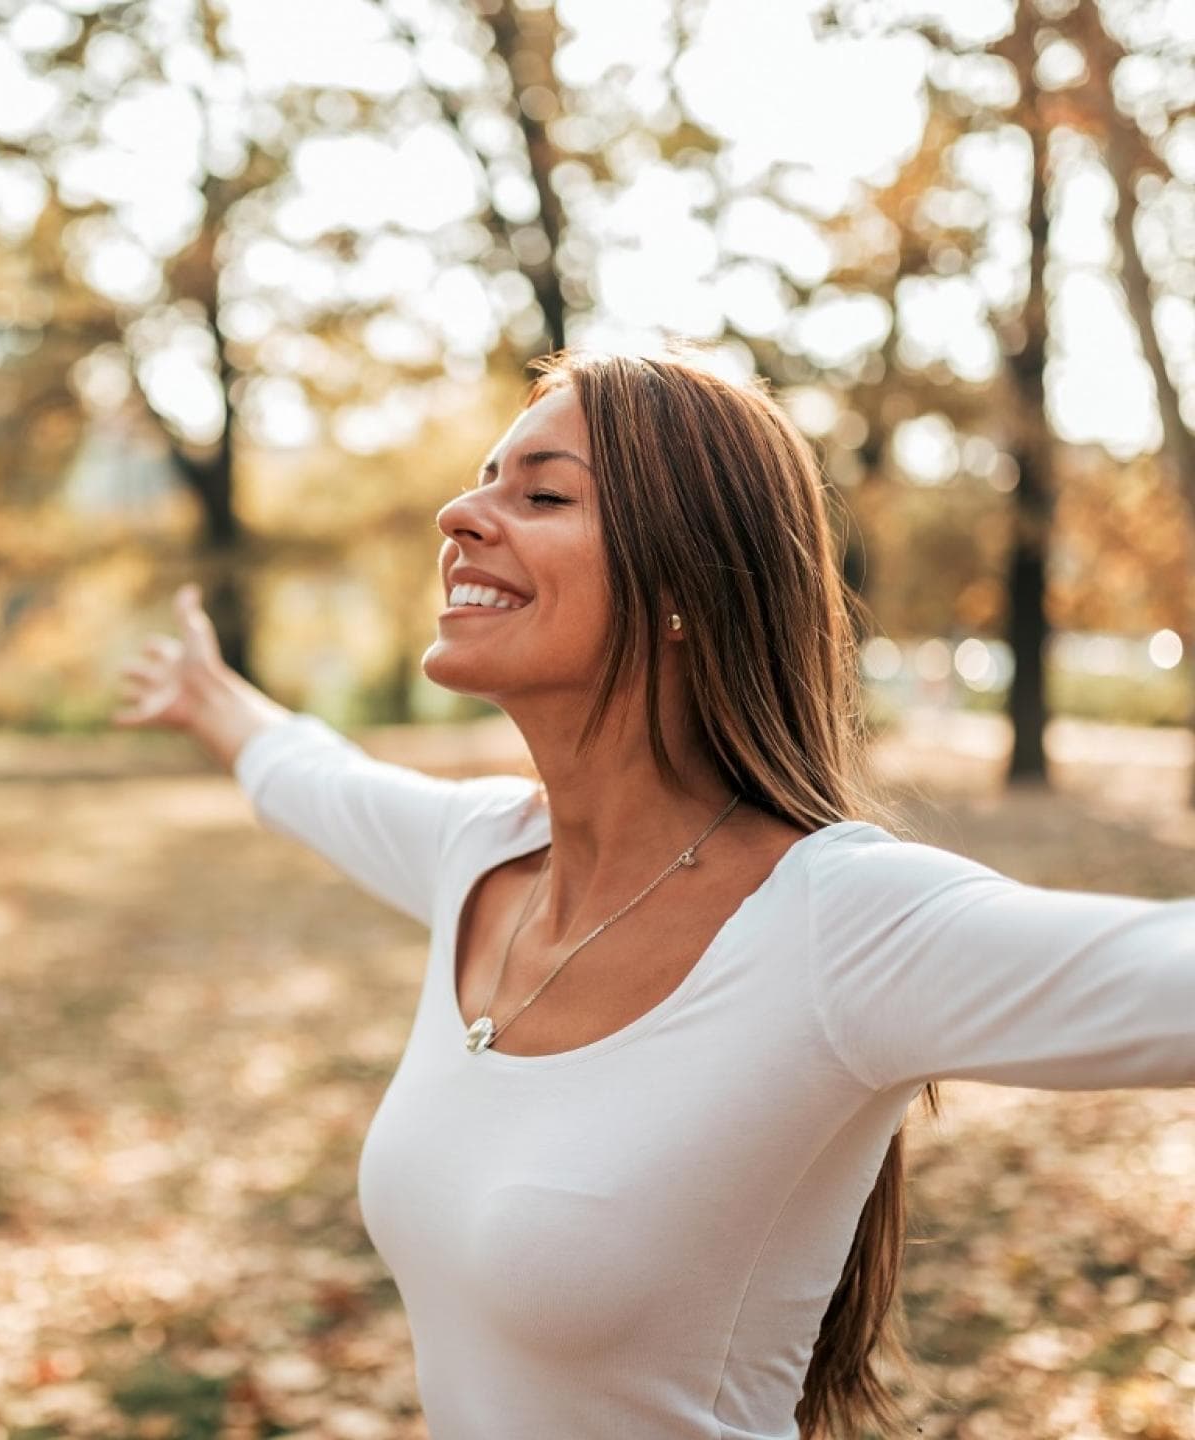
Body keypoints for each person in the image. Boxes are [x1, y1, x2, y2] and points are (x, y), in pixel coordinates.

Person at [108, 346, 1195, 1440]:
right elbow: (320, 780)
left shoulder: (836, 922)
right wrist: (215, 701)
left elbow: (1164, 978)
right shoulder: (480, 854)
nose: (459, 514)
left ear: (682, 583)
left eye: (541, 493)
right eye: (484, 479)